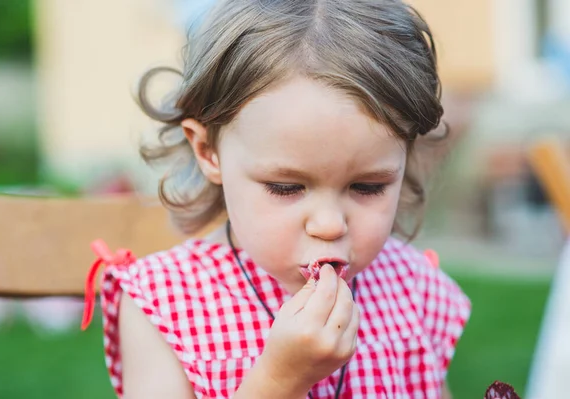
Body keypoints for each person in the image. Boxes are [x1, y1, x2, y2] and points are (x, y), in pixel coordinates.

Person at [82, 1, 471, 397]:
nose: (329, 224)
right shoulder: (163, 304)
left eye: (367, 187)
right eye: (287, 188)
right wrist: (279, 381)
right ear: (207, 151)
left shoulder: (413, 290)